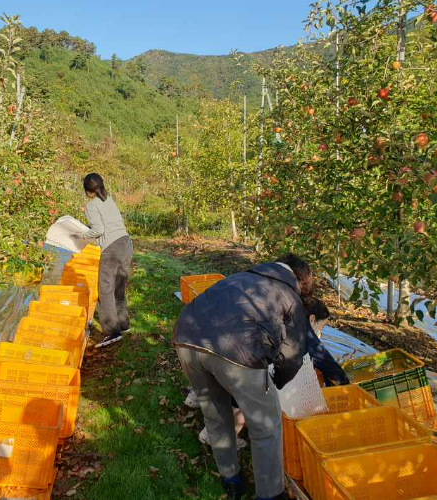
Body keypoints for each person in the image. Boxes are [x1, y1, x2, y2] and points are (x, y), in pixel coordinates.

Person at [172, 255, 346, 500]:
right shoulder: (288, 295)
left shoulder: (240, 278)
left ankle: (231, 479)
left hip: (186, 338)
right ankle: (271, 494)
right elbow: (293, 355)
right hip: (236, 351)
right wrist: (275, 385)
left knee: (215, 414)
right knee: (266, 426)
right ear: (300, 280)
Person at [192, 298, 348, 448]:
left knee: (235, 395)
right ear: (312, 319)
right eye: (323, 326)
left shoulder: (283, 311)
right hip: (247, 364)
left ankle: (207, 424)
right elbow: (324, 359)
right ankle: (216, 437)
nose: (321, 332)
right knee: (246, 400)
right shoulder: (304, 330)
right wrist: (345, 382)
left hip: (220, 348)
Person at [78, 173, 132, 348]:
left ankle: (112, 332)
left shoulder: (91, 205)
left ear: (88, 190)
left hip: (112, 249)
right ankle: (123, 325)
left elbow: (99, 230)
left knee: (105, 291)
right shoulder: (109, 200)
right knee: (119, 288)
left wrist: (82, 235)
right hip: (126, 243)